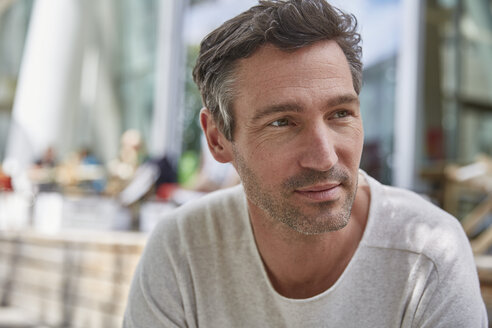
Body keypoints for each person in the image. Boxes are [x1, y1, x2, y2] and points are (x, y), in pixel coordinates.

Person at [124, 0, 487, 327]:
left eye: (340, 113)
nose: (325, 157)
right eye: (282, 122)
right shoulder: (182, 250)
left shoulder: (427, 255)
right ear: (218, 139)